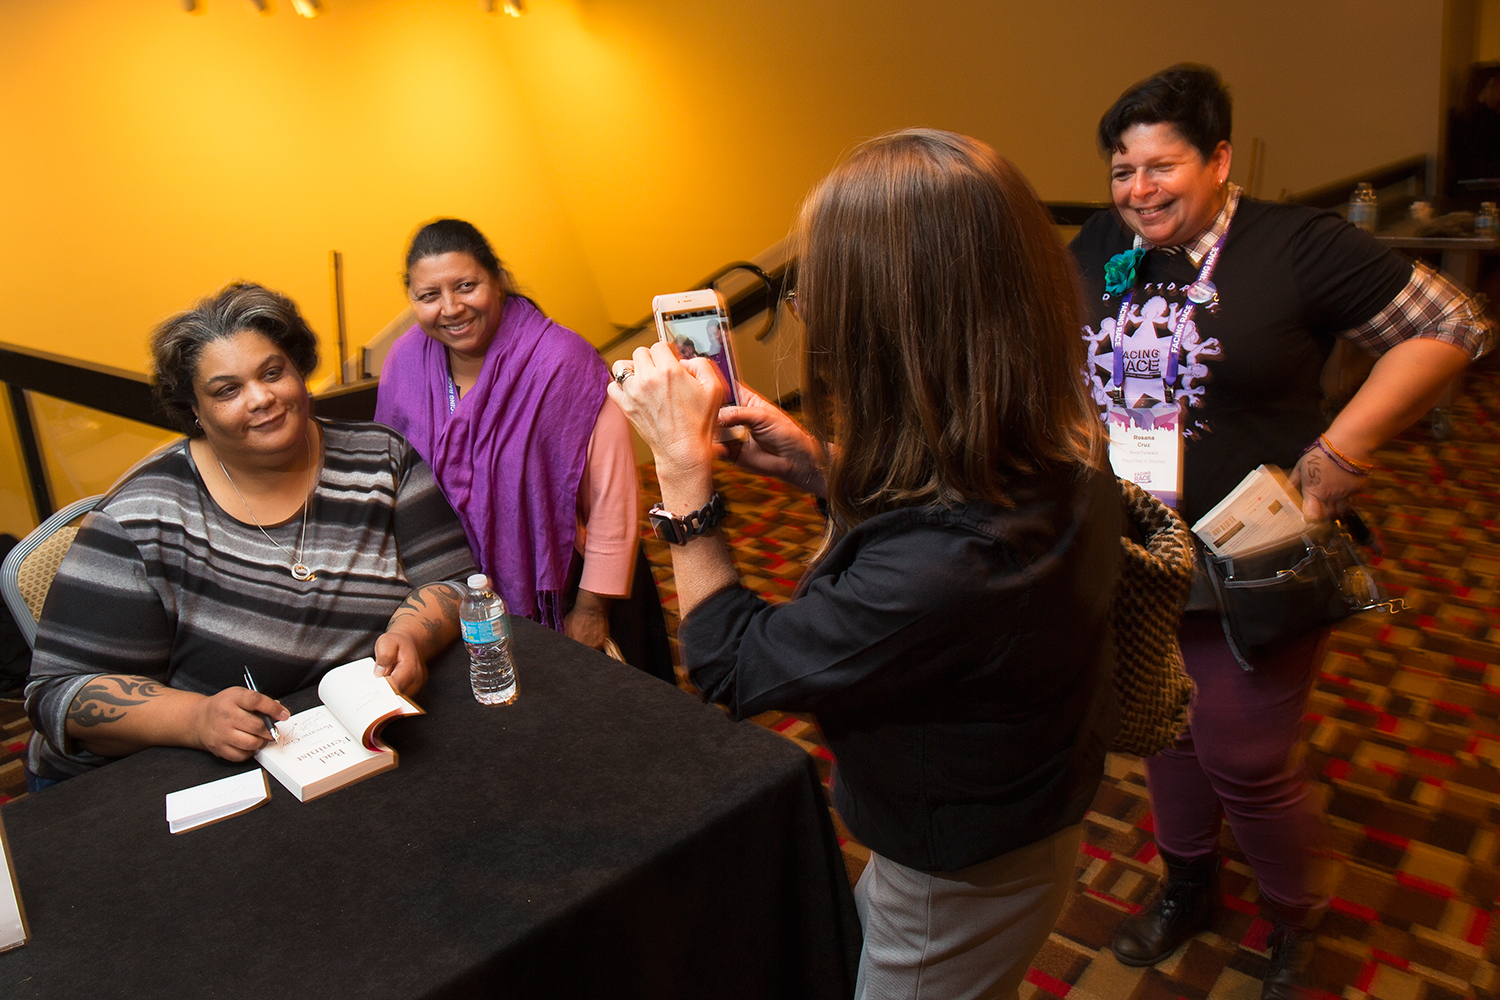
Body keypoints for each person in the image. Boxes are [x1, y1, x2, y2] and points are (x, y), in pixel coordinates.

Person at [610, 128, 1121, 1000]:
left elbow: (735, 666)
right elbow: (945, 507)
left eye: (824, 289)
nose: (807, 308)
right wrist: (822, 465)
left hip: (963, 863)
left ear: (895, 326)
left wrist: (685, 481)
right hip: (1006, 809)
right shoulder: (1056, 441)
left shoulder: (951, 566)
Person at [1069, 64, 1493, 999]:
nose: (1137, 190)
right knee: (1164, 728)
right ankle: (1188, 887)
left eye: (1161, 166)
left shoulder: (1297, 243)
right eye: (1121, 170)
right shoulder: (1105, 241)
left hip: (1258, 550)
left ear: (1219, 160)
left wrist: (1344, 449)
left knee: (1247, 755)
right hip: (1140, 543)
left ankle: (1294, 915)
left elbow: (1453, 323)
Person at [24, 283, 477, 789]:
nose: (261, 398)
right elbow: (59, 695)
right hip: (193, 779)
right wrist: (194, 719)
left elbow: (457, 583)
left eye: (272, 372)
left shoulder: (382, 458)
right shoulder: (141, 516)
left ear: (298, 370)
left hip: (368, 745)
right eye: (227, 390)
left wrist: (413, 635)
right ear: (193, 408)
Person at [374, 220, 671, 680]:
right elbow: (387, 471)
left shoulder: (563, 362)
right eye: (428, 296)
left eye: (466, 286)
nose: (450, 309)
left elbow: (613, 499)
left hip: (565, 589)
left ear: (498, 280)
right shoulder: (405, 360)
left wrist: (592, 610)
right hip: (447, 599)